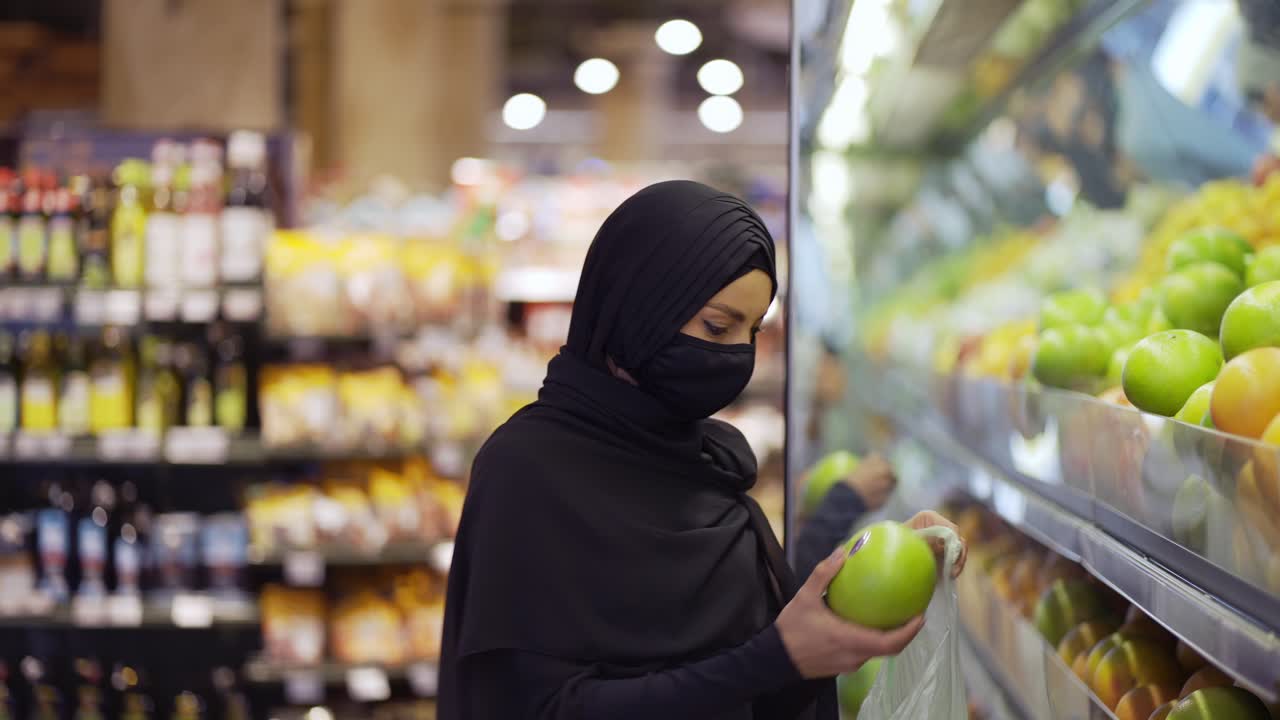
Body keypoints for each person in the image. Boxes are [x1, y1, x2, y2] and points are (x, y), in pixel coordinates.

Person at [439, 180, 966, 719]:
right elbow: (538, 708)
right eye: (718, 326)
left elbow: (755, 685)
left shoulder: (711, 472)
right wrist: (773, 659)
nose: (738, 355)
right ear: (639, 308)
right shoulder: (525, 473)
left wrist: (849, 603)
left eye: (753, 330)